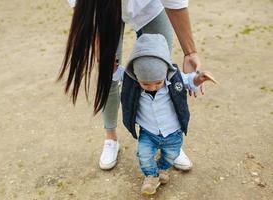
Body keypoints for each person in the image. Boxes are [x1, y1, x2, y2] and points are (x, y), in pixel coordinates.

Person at [60, 0, 203, 171]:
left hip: (149, 5)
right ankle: (111, 138)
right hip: (102, 9)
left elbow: (175, 3)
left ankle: (170, 141)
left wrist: (190, 52)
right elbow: (86, 13)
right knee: (108, 73)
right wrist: (101, 51)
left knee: (158, 70)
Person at [114, 34, 216, 195]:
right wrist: (112, 67)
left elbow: (190, 80)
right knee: (144, 154)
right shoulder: (131, 79)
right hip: (148, 131)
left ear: (166, 72)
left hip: (173, 132)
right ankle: (151, 176)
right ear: (136, 76)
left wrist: (199, 79)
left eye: (157, 82)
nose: (152, 87)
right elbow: (119, 74)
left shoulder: (174, 76)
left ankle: (162, 168)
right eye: (145, 83)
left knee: (171, 154)